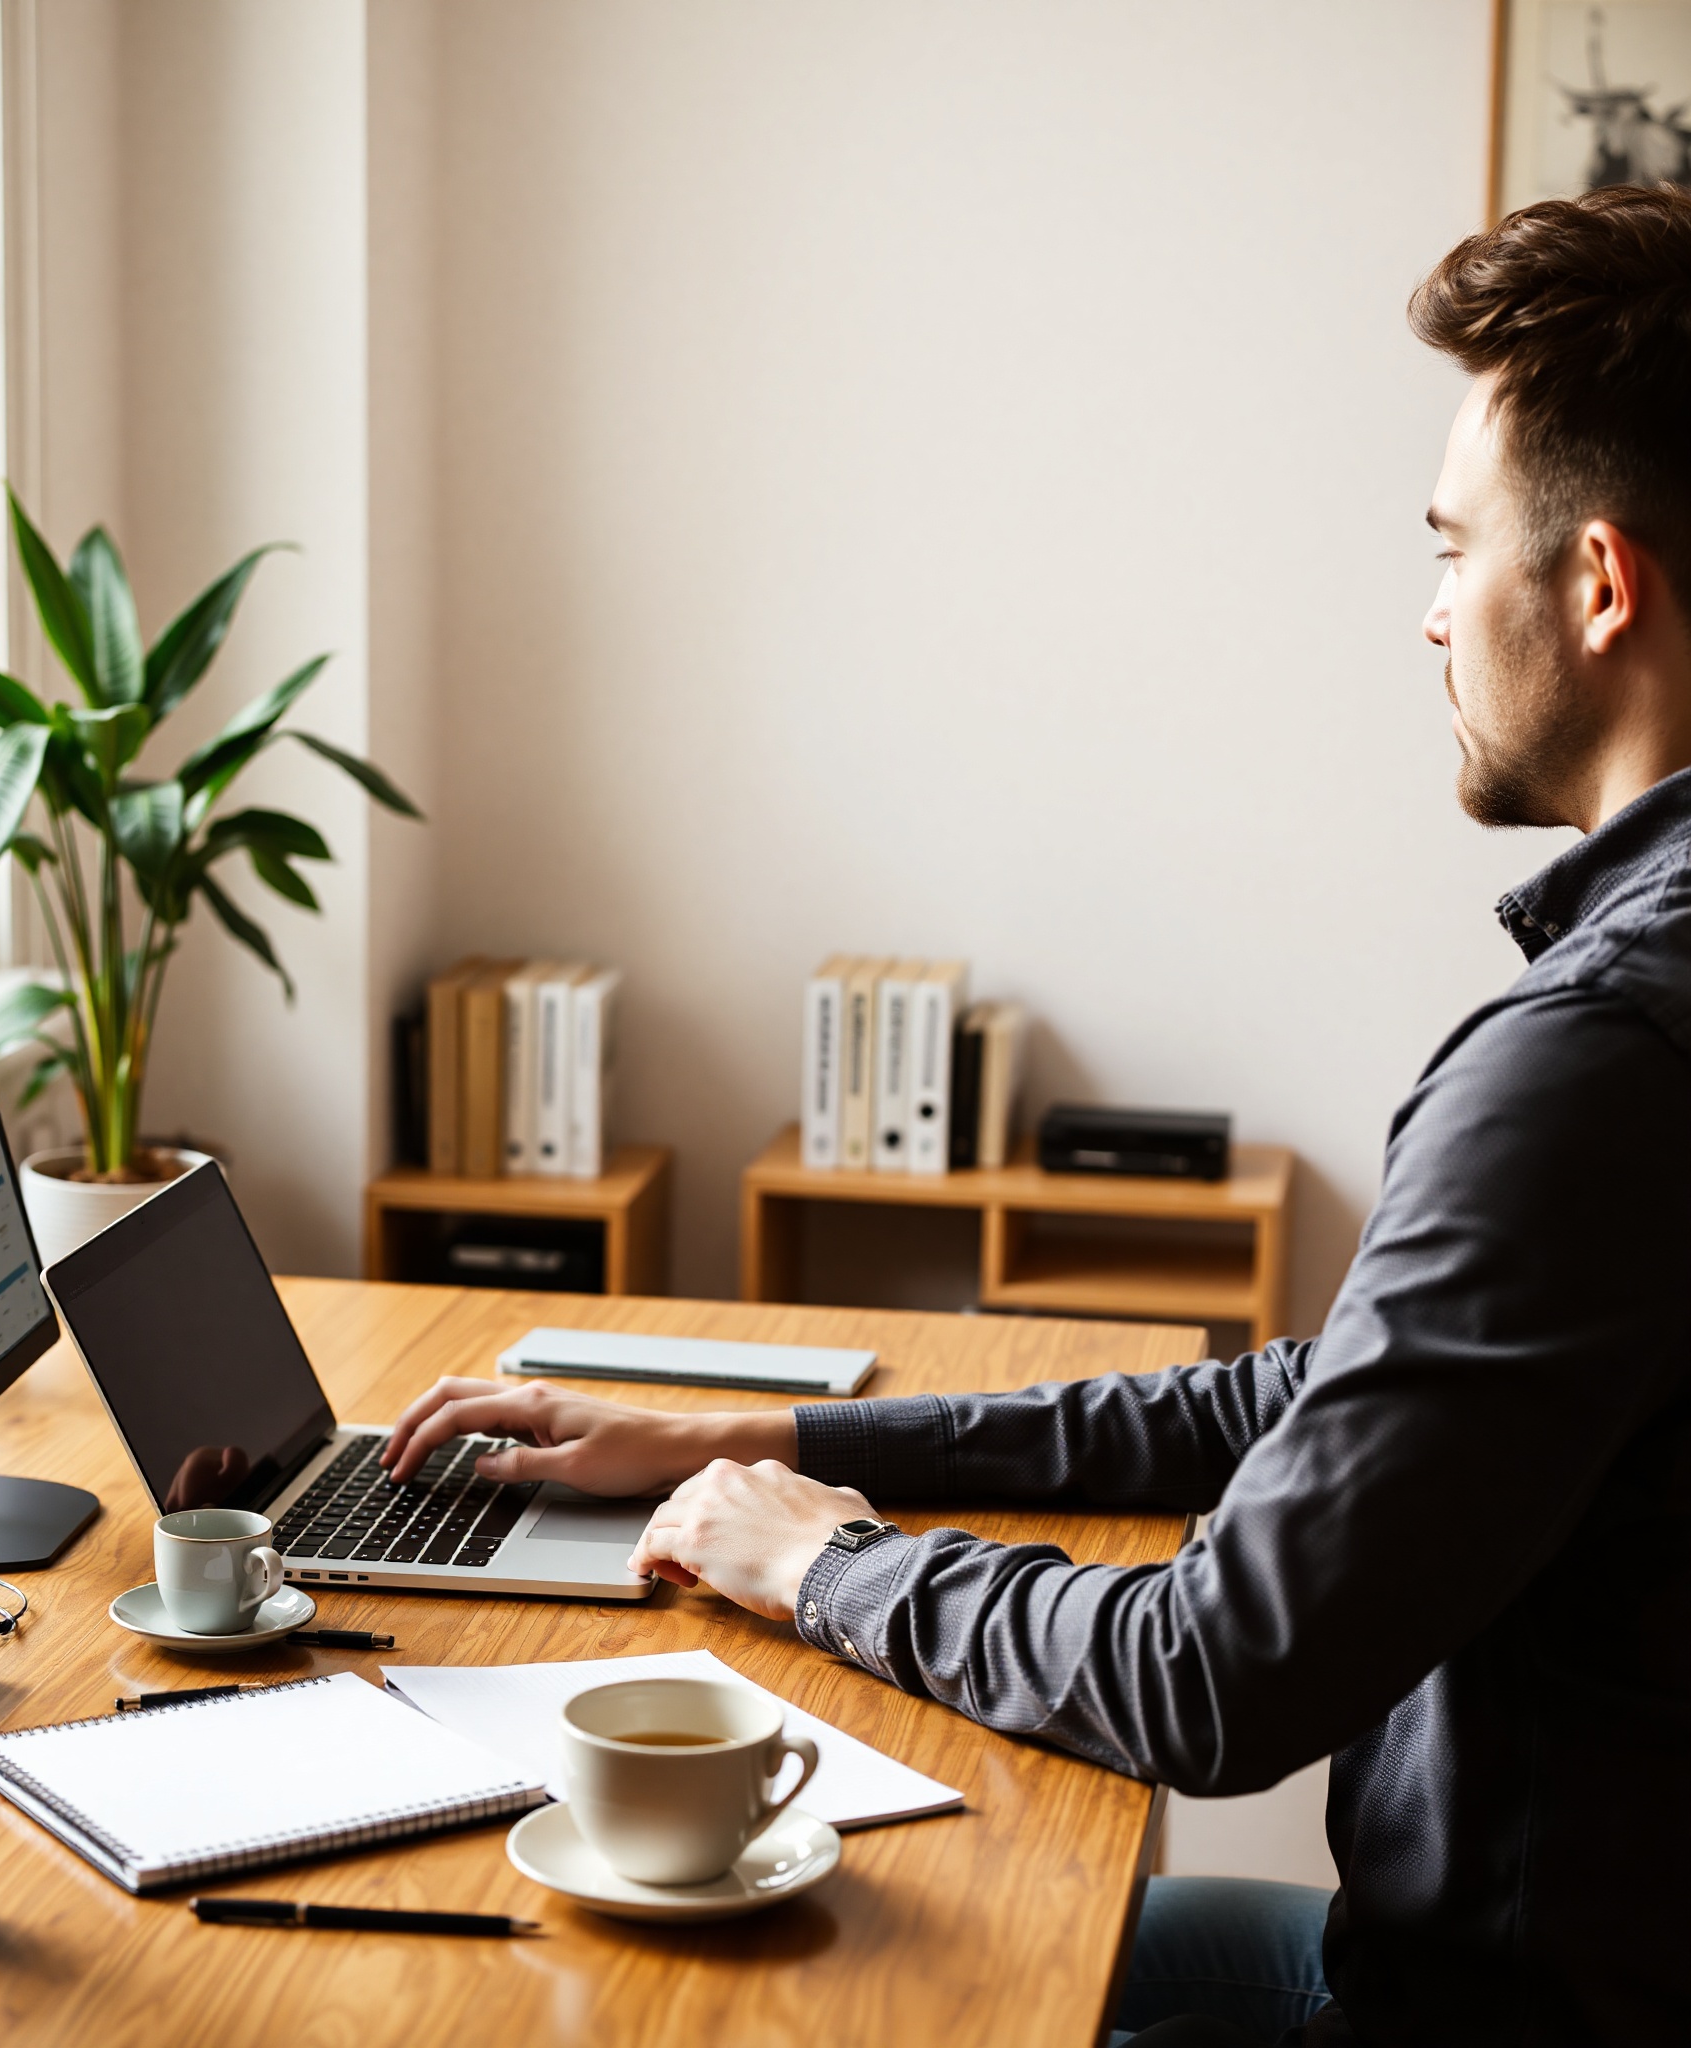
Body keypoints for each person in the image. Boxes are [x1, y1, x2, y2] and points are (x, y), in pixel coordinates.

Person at [382, 185, 1691, 2048]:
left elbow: (1208, 1676)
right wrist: (711, 1436)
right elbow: (1318, 1402)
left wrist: (815, 1559)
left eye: (1450, 544)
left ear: (1598, 584)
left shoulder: (1595, 1065)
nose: (1425, 613)